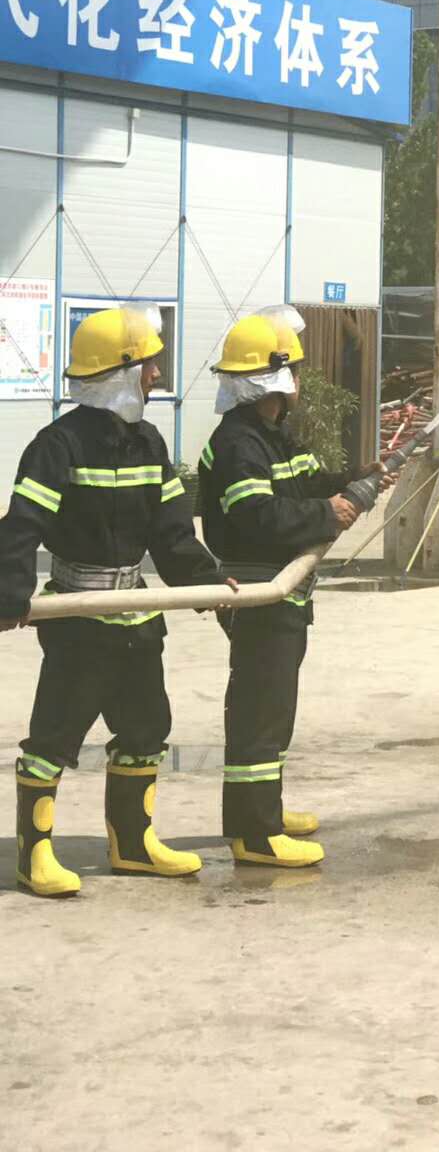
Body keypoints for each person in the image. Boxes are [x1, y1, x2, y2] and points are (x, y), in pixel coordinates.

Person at [0, 305, 233, 898]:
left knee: (147, 727)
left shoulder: (148, 442)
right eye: (149, 364)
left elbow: (173, 533)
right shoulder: (58, 445)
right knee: (55, 735)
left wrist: (210, 583)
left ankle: (132, 845)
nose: (156, 375)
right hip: (78, 615)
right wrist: (10, 594)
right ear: (121, 369)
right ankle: (34, 856)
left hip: (136, 613)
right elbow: (21, 527)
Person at [199, 305, 369, 871]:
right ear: (275, 379)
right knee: (258, 712)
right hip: (256, 593)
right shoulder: (239, 445)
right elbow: (258, 517)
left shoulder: (272, 436)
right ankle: (255, 834)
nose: (298, 381)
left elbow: (307, 485)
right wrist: (327, 513)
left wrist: (356, 480)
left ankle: (266, 810)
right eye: (292, 370)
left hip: (281, 594)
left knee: (276, 708)